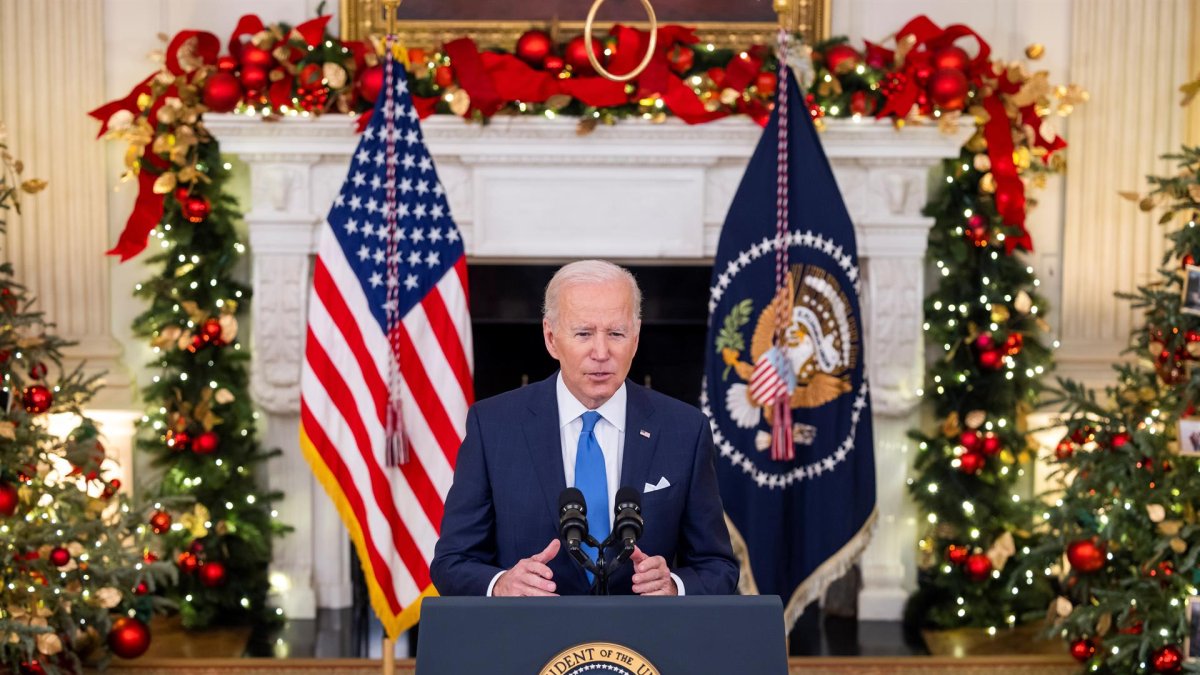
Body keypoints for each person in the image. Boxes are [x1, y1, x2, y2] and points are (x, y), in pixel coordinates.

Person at [430, 260, 738, 597]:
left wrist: (674, 586)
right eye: (584, 333)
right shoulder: (493, 426)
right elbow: (452, 562)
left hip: (644, 631)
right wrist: (501, 584)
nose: (601, 353)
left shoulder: (685, 430)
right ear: (551, 338)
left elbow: (717, 566)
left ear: (635, 338)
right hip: (531, 630)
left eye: (616, 334)